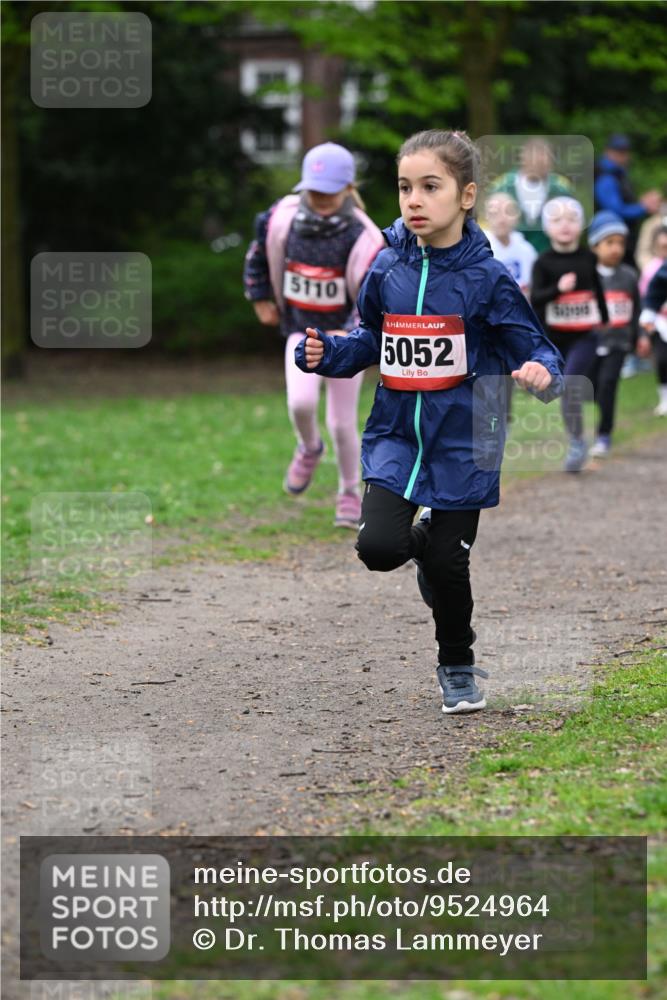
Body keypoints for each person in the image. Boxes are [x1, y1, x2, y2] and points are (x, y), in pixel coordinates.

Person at [295, 129, 564, 715]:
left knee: (448, 561)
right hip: (396, 433)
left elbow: (538, 347)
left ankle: (458, 665)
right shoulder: (386, 266)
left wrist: (543, 373)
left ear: (466, 196)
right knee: (380, 549)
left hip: (468, 439)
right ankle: (419, 552)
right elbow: (370, 338)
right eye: (404, 187)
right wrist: (329, 354)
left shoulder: (488, 279)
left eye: (430, 187)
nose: (413, 200)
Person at [243, 142, 384, 527]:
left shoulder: (363, 235)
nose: (321, 199)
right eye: (314, 191)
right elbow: (257, 256)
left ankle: (350, 492)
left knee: (342, 423)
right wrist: (259, 298)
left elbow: (373, 291)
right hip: (300, 332)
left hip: (345, 340)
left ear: (348, 189)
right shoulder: (281, 220)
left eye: (329, 192)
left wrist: (355, 333)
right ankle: (308, 447)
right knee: (301, 404)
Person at [530, 197, 609, 473]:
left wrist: (607, 322)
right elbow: (536, 300)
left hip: (585, 336)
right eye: (557, 219)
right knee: (563, 391)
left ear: (581, 226)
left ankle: (577, 444)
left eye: (571, 219)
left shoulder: (589, 258)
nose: (565, 225)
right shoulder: (543, 262)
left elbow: (599, 291)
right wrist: (558, 289)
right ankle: (577, 438)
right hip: (555, 340)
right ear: (547, 227)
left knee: (573, 386)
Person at [586, 211, 642, 458]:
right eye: (610, 243)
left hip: (618, 342)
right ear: (595, 246)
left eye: (620, 243)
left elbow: (638, 308)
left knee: (608, 385)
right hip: (590, 344)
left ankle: (604, 435)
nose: (616, 249)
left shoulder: (629, 276)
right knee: (592, 387)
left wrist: (639, 336)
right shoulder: (586, 275)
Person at [489, 138, 573, 253]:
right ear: (524, 159)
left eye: (545, 161)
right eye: (537, 161)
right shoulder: (503, 186)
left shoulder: (560, 188)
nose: (540, 166)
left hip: (549, 255)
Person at [594, 134, 662, 262]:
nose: (623, 156)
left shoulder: (620, 173)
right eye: (619, 151)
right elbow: (615, 210)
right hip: (612, 239)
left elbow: (626, 200)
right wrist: (643, 207)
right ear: (608, 151)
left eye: (625, 151)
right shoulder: (606, 177)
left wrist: (642, 203)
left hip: (625, 237)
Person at [482, 192, 537, 296]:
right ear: (487, 217)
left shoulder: (527, 250)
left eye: (508, 212)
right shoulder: (477, 250)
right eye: (495, 213)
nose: (502, 219)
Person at [639, 261, 667, 416]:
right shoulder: (659, 270)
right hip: (662, 322)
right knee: (663, 360)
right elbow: (659, 284)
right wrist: (649, 310)